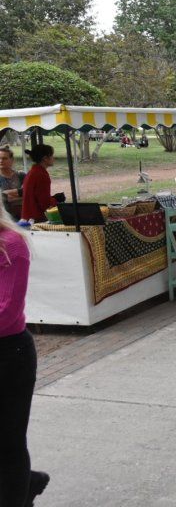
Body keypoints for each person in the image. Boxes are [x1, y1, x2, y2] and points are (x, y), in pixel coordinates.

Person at [0, 205, 51, 507]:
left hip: (10, 355)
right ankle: (27, 482)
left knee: (9, 442)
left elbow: (6, 312)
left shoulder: (12, 244)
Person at [20, 144, 64, 223]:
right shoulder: (41, 175)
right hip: (36, 218)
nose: (53, 158)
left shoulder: (32, 172)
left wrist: (53, 198)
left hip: (28, 217)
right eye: (51, 155)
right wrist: (55, 200)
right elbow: (45, 203)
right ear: (45, 158)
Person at [0, 146, 26, 219]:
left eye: (4, 158)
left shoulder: (21, 175)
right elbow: (2, 200)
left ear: (12, 160)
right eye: (0, 158)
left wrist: (6, 195)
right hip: (5, 218)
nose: (1, 161)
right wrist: (20, 195)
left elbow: (29, 194)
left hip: (25, 215)